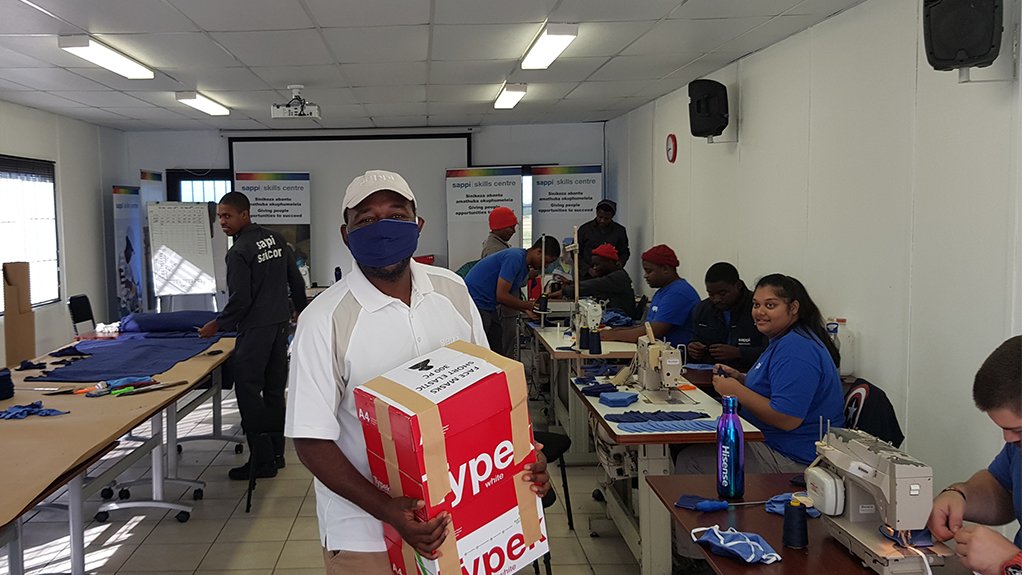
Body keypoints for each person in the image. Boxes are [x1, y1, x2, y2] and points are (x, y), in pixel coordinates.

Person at [284, 170, 550, 574]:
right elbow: (311, 440)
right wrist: (387, 510)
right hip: (365, 535)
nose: (382, 228)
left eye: (396, 215)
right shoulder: (323, 320)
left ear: (418, 225)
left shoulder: (452, 291)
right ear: (345, 233)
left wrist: (526, 457)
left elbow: (487, 394)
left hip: (466, 517)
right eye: (366, 219)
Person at [199, 191, 306, 480]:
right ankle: (277, 454)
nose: (223, 221)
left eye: (228, 216)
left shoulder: (239, 252)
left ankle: (261, 460)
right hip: (279, 326)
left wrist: (217, 325)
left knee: (248, 393)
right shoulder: (275, 239)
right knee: (274, 391)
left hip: (256, 330)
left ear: (244, 214)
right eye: (220, 216)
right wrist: (301, 311)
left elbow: (240, 300)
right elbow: (295, 279)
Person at [709, 274, 845, 467]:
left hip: (794, 457)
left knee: (692, 460)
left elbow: (787, 418)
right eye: (756, 305)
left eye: (770, 305)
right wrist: (742, 379)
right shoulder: (784, 340)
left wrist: (736, 391)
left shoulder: (796, 349)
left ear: (794, 308)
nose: (760, 312)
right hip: (773, 442)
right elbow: (778, 386)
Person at [927, 336, 1021, 575]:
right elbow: (1003, 488)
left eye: (1017, 430)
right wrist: (961, 496)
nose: (1008, 439)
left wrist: (1012, 562)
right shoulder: (1018, 446)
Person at [465, 236, 560, 357]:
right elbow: (502, 296)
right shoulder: (515, 257)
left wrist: (526, 309)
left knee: (496, 346)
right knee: (487, 349)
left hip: (487, 304)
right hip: (477, 302)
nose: (545, 266)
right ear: (538, 251)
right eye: (546, 261)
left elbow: (507, 295)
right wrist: (528, 306)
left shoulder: (523, 266)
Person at [601, 244, 698, 347]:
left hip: (675, 357)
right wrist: (614, 331)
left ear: (665, 269)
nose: (645, 276)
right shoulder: (662, 292)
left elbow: (654, 332)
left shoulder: (678, 293)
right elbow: (646, 327)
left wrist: (612, 335)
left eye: (649, 271)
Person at [687, 262, 767, 371]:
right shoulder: (703, 309)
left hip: (749, 374)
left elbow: (770, 351)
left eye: (722, 293)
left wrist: (739, 352)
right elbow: (696, 338)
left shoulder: (758, 309)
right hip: (709, 374)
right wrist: (692, 347)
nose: (716, 299)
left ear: (738, 285)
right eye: (711, 294)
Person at [551, 243, 636, 318]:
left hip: (622, 321)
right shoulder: (615, 276)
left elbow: (592, 286)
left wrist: (564, 291)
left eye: (597, 264)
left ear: (610, 262)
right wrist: (570, 283)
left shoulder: (618, 278)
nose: (594, 268)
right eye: (593, 265)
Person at [577, 199, 629, 278]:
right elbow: (575, 253)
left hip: (610, 276)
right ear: (596, 213)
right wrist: (587, 269)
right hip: (588, 275)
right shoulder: (584, 229)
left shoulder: (620, 230)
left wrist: (619, 264)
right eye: (600, 217)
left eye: (606, 218)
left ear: (612, 216)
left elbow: (624, 252)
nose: (602, 221)